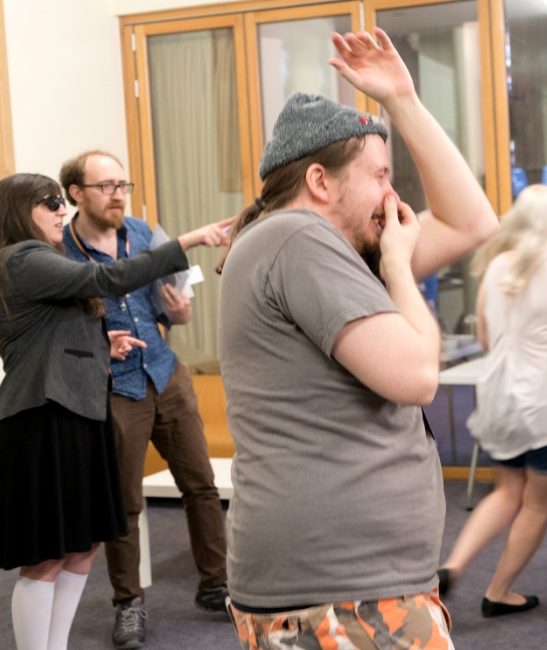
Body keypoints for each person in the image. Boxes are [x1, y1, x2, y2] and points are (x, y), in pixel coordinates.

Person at [216, 28, 498, 649]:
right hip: (339, 591)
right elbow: (417, 376)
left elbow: (472, 222)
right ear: (320, 181)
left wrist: (403, 100)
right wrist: (399, 268)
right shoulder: (297, 240)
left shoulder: (327, 251)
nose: (392, 198)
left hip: (352, 585)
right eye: (378, 176)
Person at [0, 173, 226, 650]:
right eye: (50, 202)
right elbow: (106, 278)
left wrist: (101, 341)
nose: (60, 210)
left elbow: (48, 335)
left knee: (82, 546)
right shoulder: (21, 257)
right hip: (42, 420)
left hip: (72, 411)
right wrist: (190, 241)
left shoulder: (32, 261)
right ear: (18, 211)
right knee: (48, 558)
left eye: (59, 201)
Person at [59, 150, 230, 649]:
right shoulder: (61, 253)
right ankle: (127, 603)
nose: (117, 194)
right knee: (125, 504)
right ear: (76, 193)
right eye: (106, 186)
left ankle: (215, 585)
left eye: (122, 184)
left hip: (164, 372)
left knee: (200, 485)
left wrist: (179, 313)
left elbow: (177, 311)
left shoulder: (143, 233)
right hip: (115, 386)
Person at [436, 185, 547, 613]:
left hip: (499, 400)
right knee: (535, 504)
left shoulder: (494, 268)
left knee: (507, 490)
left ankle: (453, 565)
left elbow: (486, 337)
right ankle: (498, 592)